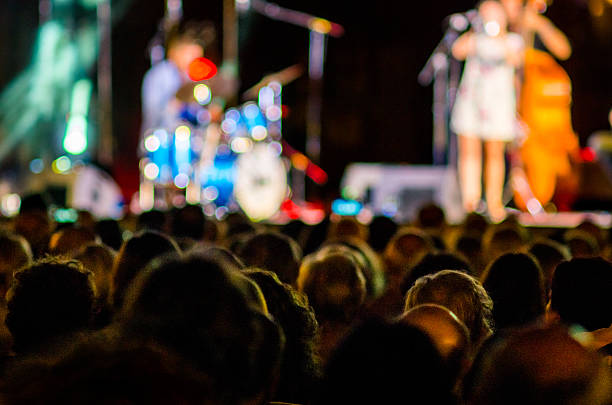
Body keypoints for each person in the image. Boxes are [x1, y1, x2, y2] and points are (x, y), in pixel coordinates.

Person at [500, 0, 579, 211]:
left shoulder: (539, 26)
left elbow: (564, 51)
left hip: (544, 123)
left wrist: (540, 25)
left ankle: (539, 196)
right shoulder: (501, 24)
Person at [451, 0, 524, 222]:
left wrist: (498, 35)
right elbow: (457, 51)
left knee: (494, 152)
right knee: (469, 151)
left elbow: (515, 59)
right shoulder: (474, 39)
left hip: (498, 103)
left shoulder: (513, 40)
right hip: (472, 100)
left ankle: (494, 204)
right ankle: (470, 203)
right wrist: (475, 31)